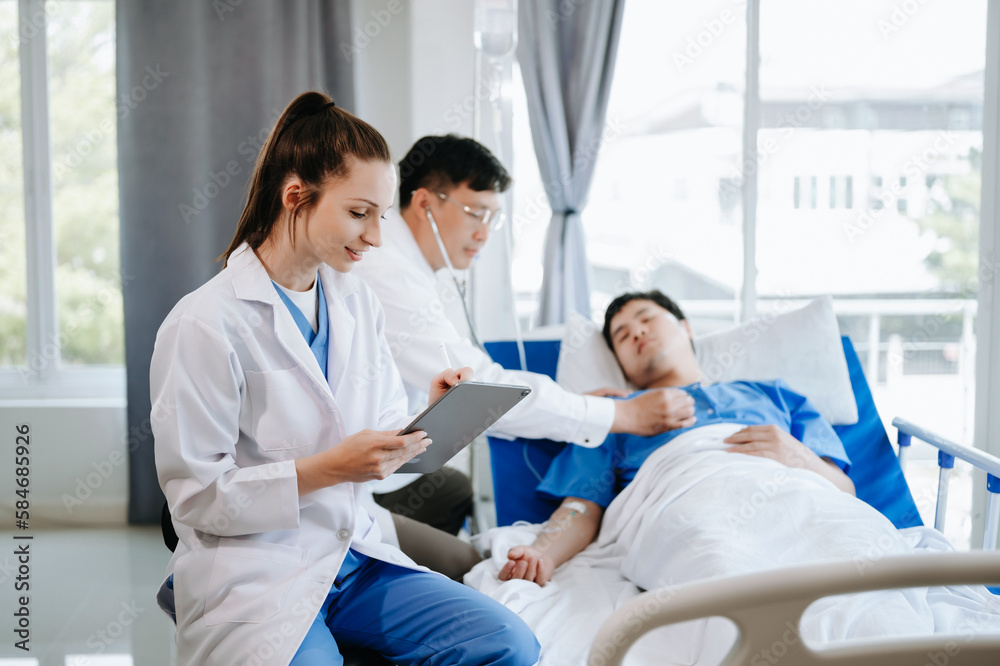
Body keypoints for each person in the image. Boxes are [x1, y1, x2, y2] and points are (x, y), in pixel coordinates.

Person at [151, 92, 539, 666]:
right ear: (295, 198)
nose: (377, 237)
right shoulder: (205, 323)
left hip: (352, 554)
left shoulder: (355, 303)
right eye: (360, 214)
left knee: (507, 643)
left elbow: (376, 434)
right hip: (256, 570)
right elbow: (199, 500)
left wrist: (423, 415)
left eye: (381, 216)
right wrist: (329, 469)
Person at [354, 135, 697, 534]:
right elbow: (479, 393)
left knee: (452, 490)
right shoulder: (386, 275)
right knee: (461, 552)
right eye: (475, 213)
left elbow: (479, 400)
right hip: (362, 481)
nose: (484, 234)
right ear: (426, 203)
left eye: (492, 218)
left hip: (394, 471)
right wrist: (620, 414)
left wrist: (573, 404)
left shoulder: (760, 394)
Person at [499, 289, 855, 587]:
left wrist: (800, 458)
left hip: (798, 502)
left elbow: (845, 493)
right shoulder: (611, 415)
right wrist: (542, 553)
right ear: (620, 362)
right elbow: (580, 507)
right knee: (722, 564)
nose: (636, 332)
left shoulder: (772, 395)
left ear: (685, 328)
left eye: (646, 318)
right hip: (692, 515)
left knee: (858, 555)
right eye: (622, 335)